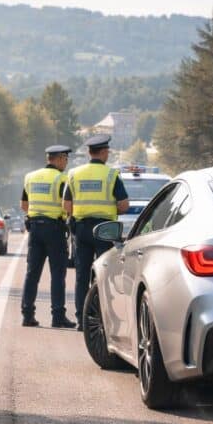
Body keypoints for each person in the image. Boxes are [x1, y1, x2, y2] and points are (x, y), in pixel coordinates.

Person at [64, 134, 129, 329]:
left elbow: (66, 205)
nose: (108, 153)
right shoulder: (111, 174)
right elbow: (124, 205)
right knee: (104, 274)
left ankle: (81, 319)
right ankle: (102, 318)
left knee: (82, 275)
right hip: (104, 230)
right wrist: (109, 210)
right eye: (107, 151)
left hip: (82, 229)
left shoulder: (74, 173)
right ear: (102, 152)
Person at [20, 144, 77, 328]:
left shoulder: (30, 177)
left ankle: (27, 315)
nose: (66, 163)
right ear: (59, 158)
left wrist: (38, 213)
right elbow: (66, 204)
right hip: (55, 230)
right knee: (57, 275)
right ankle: (57, 316)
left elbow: (23, 204)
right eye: (65, 159)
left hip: (35, 229)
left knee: (32, 273)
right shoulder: (61, 179)